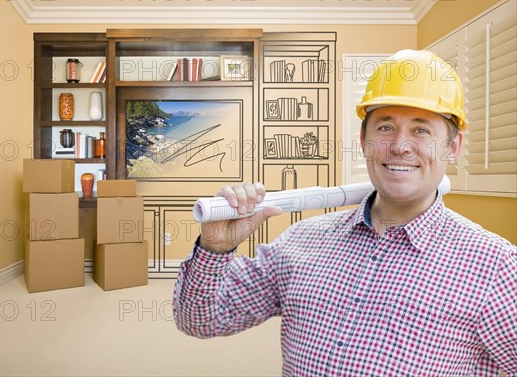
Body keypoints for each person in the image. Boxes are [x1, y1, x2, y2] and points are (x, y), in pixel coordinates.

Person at [172, 50, 516, 376]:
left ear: (452, 147)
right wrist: (215, 248)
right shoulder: (301, 242)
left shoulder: (495, 267)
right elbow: (199, 321)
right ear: (364, 140)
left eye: (421, 129)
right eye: (385, 127)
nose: (399, 145)